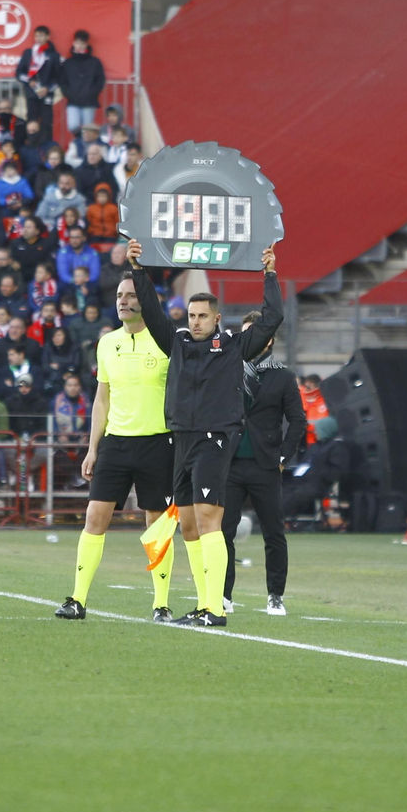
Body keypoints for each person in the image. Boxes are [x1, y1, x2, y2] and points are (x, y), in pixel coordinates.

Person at [124, 237, 281, 627]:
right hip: (182, 440)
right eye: (191, 315)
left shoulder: (233, 345)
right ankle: (203, 603)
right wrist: (139, 271)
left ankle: (214, 608)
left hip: (214, 439)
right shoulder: (175, 342)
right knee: (189, 525)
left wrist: (270, 275)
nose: (194, 321)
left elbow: (272, 318)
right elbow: (154, 313)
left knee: (210, 520)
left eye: (201, 316)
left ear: (216, 318)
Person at [55, 272, 177, 622]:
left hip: (158, 442)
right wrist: (93, 448)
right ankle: (77, 599)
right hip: (116, 444)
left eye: (131, 295)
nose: (123, 300)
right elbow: (101, 400)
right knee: (94, 517)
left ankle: (161, 604)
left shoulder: (166, 341)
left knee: (157, 525)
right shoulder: (107, 342)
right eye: (120, 295)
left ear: (146, 301)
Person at [222, 312, 305, 615]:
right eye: (244, 335)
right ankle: (223, 595)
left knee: (273, 532)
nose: (247, 341)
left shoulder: (283, 376)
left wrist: (283, 456)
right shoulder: (227, 370)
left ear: (268, 338)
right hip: (229, 463)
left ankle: (275, 595)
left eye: (253, 334)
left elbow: (298, 421)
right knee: (222, 532)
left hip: (265, 464)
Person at [58, 30, 106, 135]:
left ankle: (84, 146)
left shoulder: (95, 62)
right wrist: (69, 94)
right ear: (73, 43)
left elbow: (100, 81)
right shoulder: (67, 63)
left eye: (82, 43)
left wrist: (92, 94)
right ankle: (79, 142)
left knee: (87, 129)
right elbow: (63, 82)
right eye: (78, 43)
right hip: (72, 101)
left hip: (89, 101)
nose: (80, 46)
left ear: (87, 45)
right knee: (73, 126)